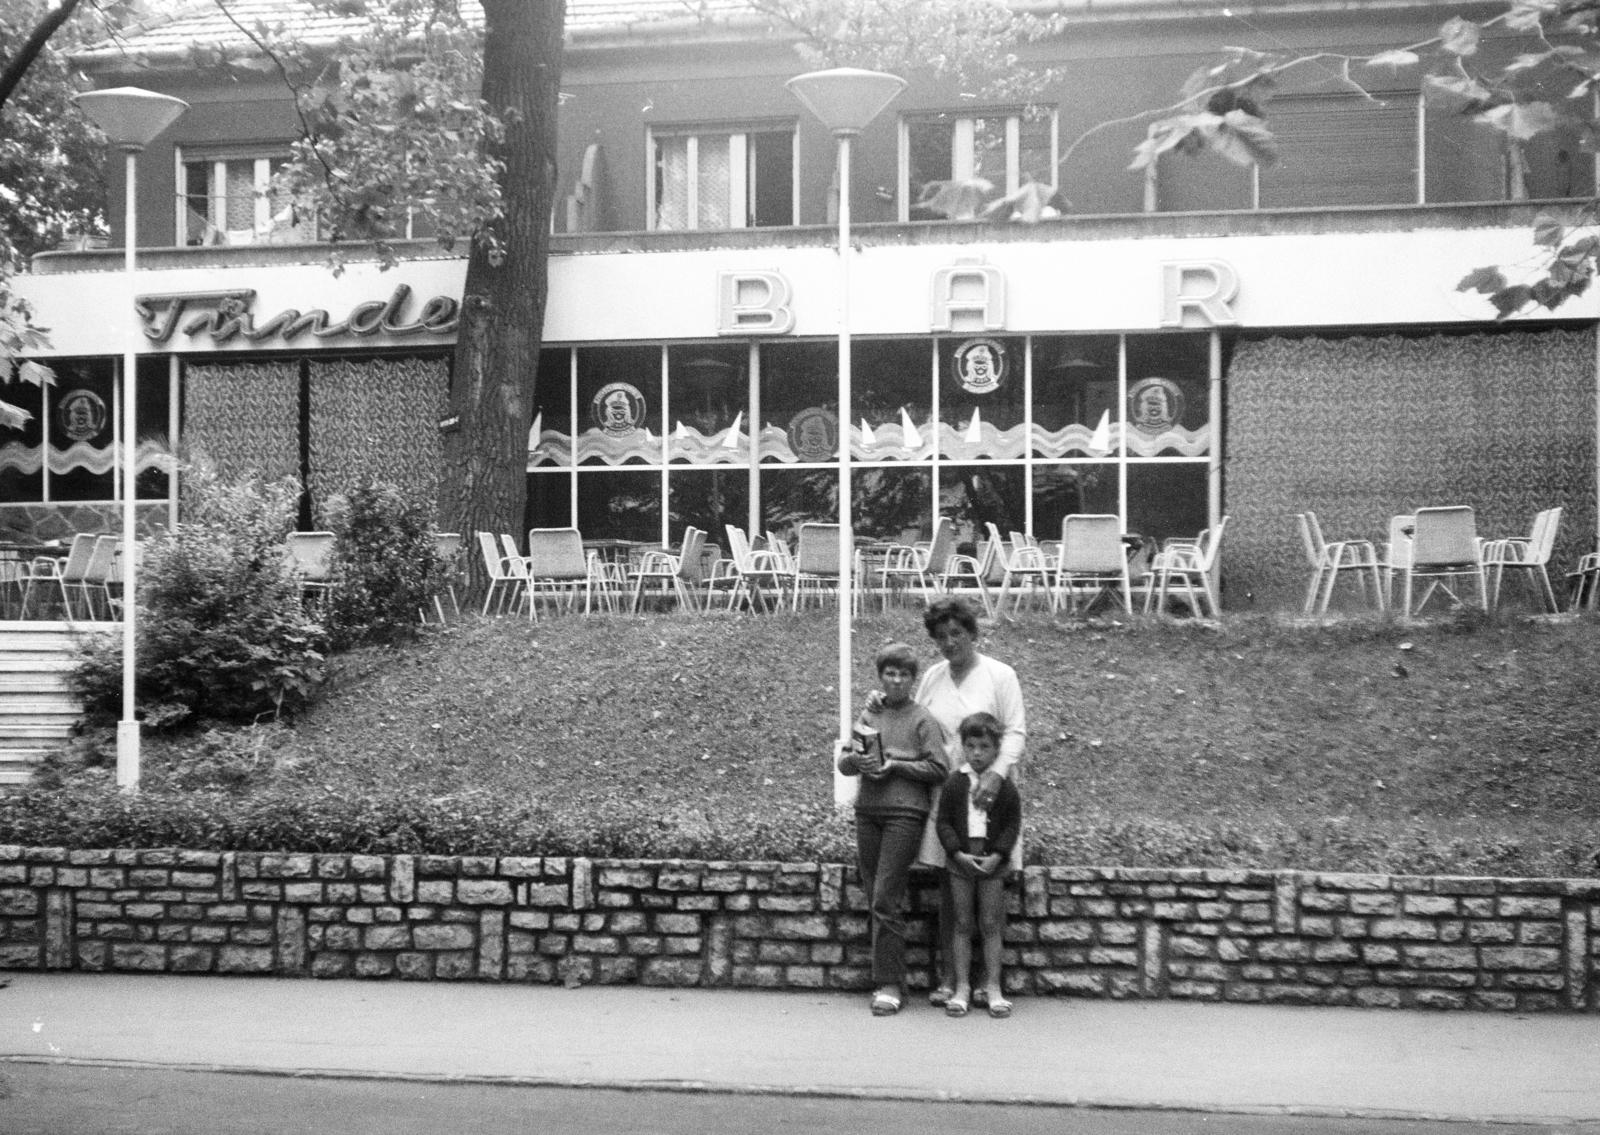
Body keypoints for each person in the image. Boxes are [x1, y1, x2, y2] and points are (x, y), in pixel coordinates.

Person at [911, 595, 1026, 1008]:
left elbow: (1015, 732)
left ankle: (986, 980)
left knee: (989, 889)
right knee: (951, 881)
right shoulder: (933, 677)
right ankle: (951, 975)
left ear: (973, 634)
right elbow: (916, 722)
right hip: (949, 791)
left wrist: (996, 775)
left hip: (991, 792)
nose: (949, 643)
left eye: (956, 633)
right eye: (941, 636)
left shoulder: (1000, 675)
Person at [836, 642, 947, 1017]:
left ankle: (889, 985)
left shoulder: (922, 718)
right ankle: (887, 977)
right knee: (876, 896)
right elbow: (844, 764)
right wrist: (859, 760)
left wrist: (897, 765)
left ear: (913, 680)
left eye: (903, 674)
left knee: (885, 895)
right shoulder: (872, 711)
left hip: (905, 814)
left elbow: (939, 768)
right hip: (868, 811)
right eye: (890, 673)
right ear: (881, 676)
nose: (896, 680)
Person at [935, 712, 1021, 1019]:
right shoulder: (955, 783)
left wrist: (998, 854)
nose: (977, 753)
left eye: (984, 747)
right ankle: (962, 988)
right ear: (963, 747)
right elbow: (943, 822)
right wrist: (956, 852)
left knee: (989, 923)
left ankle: (993, 987)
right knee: (961, 923)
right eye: (971, 746)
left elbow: (1012, 824)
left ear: (996, 748)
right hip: (961, 861)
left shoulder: (1005, 786)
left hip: (992, 863)